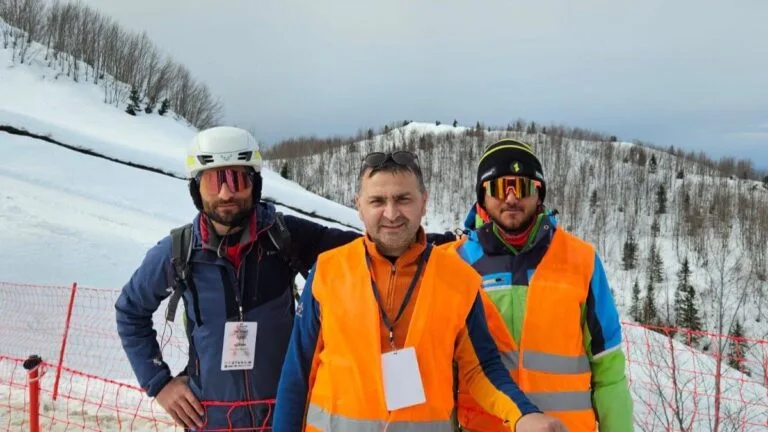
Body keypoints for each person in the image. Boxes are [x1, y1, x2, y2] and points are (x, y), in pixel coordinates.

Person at [114, 126, 457, 431]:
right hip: (212, 420)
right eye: (214, 181)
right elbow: (130, 311)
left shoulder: (283, 237)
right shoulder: (179, 252)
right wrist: (159, 383)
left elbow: (366, 248)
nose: (226, 193)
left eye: (238, 180)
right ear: (196, 188)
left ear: (255, 184)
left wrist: (448, 243)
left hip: (283, 417)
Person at [272, 150, 567, 431]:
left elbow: (482, 368)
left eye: (403, 199)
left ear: (423, 203)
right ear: (359, 206)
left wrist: (522, 414)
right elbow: (297, 375)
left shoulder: (458, 279)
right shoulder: (328, 271)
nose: (391, 213)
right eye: (377, 201)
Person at [444, 139, 633, 431]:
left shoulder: (581, 260)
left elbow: (608, 369)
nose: (511, 198)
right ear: (482, 197)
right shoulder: (455, 264)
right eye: (498, 187)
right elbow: (443, 373)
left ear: (539, 192)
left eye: (522, 187)